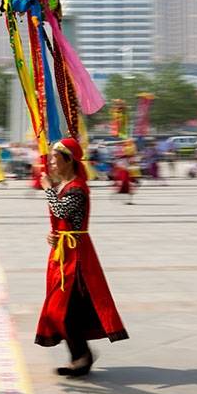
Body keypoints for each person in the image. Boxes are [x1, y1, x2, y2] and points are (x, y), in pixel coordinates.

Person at [36, 138, 128, 377]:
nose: (52, 163)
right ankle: (80, 356)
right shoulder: (66, 185)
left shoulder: (77, 187)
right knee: (60, 309)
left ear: (69, 161)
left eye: (56, 159)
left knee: (62, 309)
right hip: (64, 251)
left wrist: (47, 187)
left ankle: (81, 356)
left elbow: (62, 211)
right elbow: (62, 219)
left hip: (77, 257)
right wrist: (53, 235)